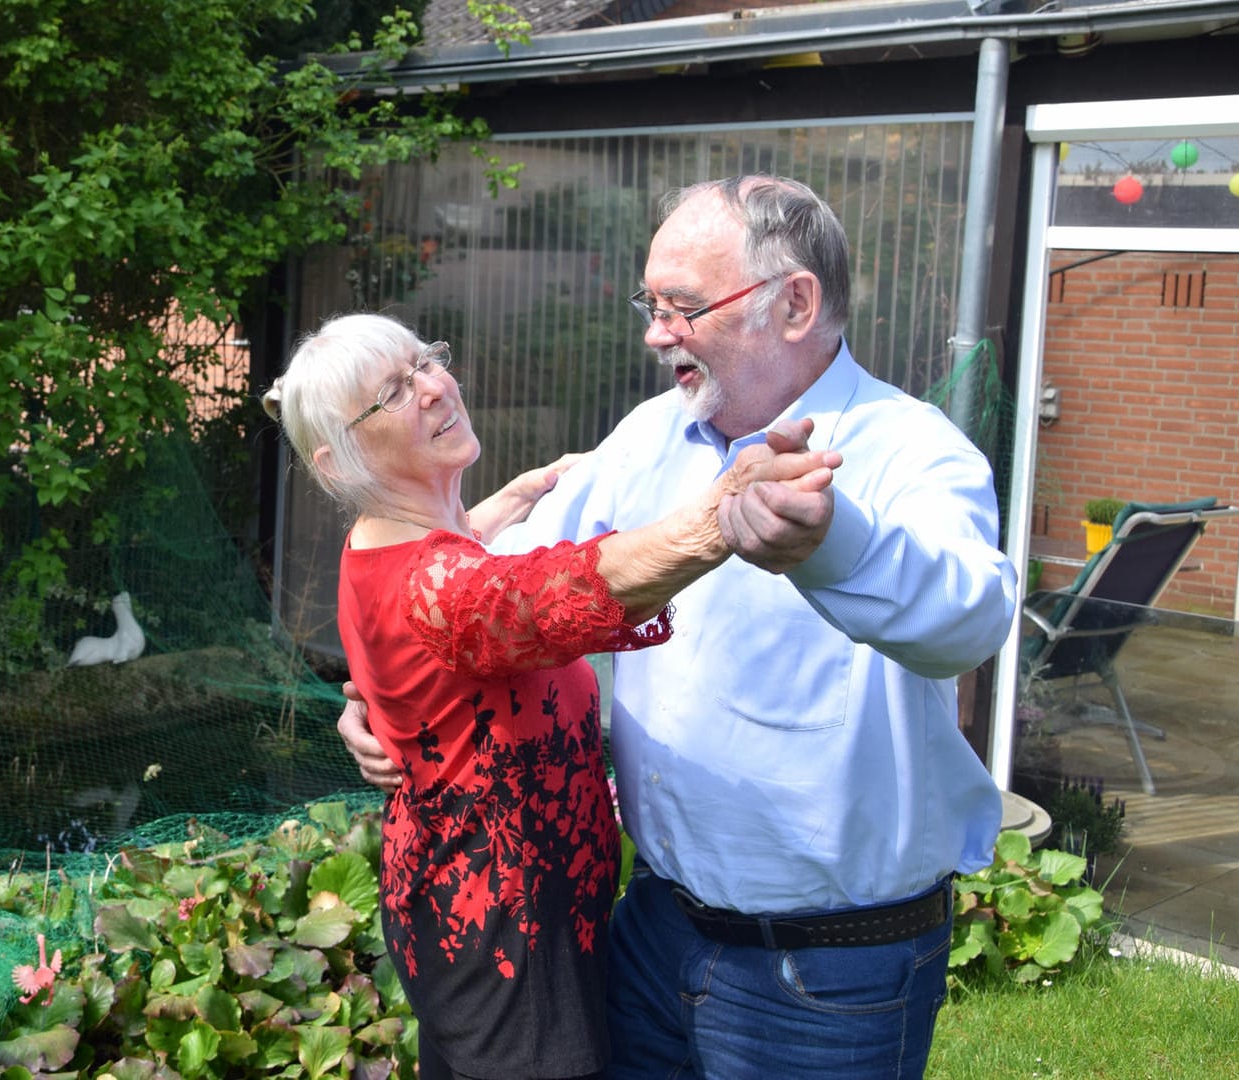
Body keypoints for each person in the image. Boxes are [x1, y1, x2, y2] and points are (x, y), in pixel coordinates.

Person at [337, 176, 1018, 1079]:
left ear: (795, 303)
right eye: (649, 304)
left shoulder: (911, 448)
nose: (656, 333)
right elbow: (505, 599)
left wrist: (831, 539)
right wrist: (385, 696)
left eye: (683, 307)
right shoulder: (651, 437)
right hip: (652, 934)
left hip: (826, 968)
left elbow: (968, 623)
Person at [263, 311, 840, 1080]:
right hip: (507, 938)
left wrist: (523, 494)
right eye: (393, 392)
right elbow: (556, 592)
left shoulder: (394, 539)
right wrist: (724, 513)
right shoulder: (439, 586)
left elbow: (453, 567)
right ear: (340, 463)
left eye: (426, 361)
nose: (435, 387)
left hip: (474, 906)